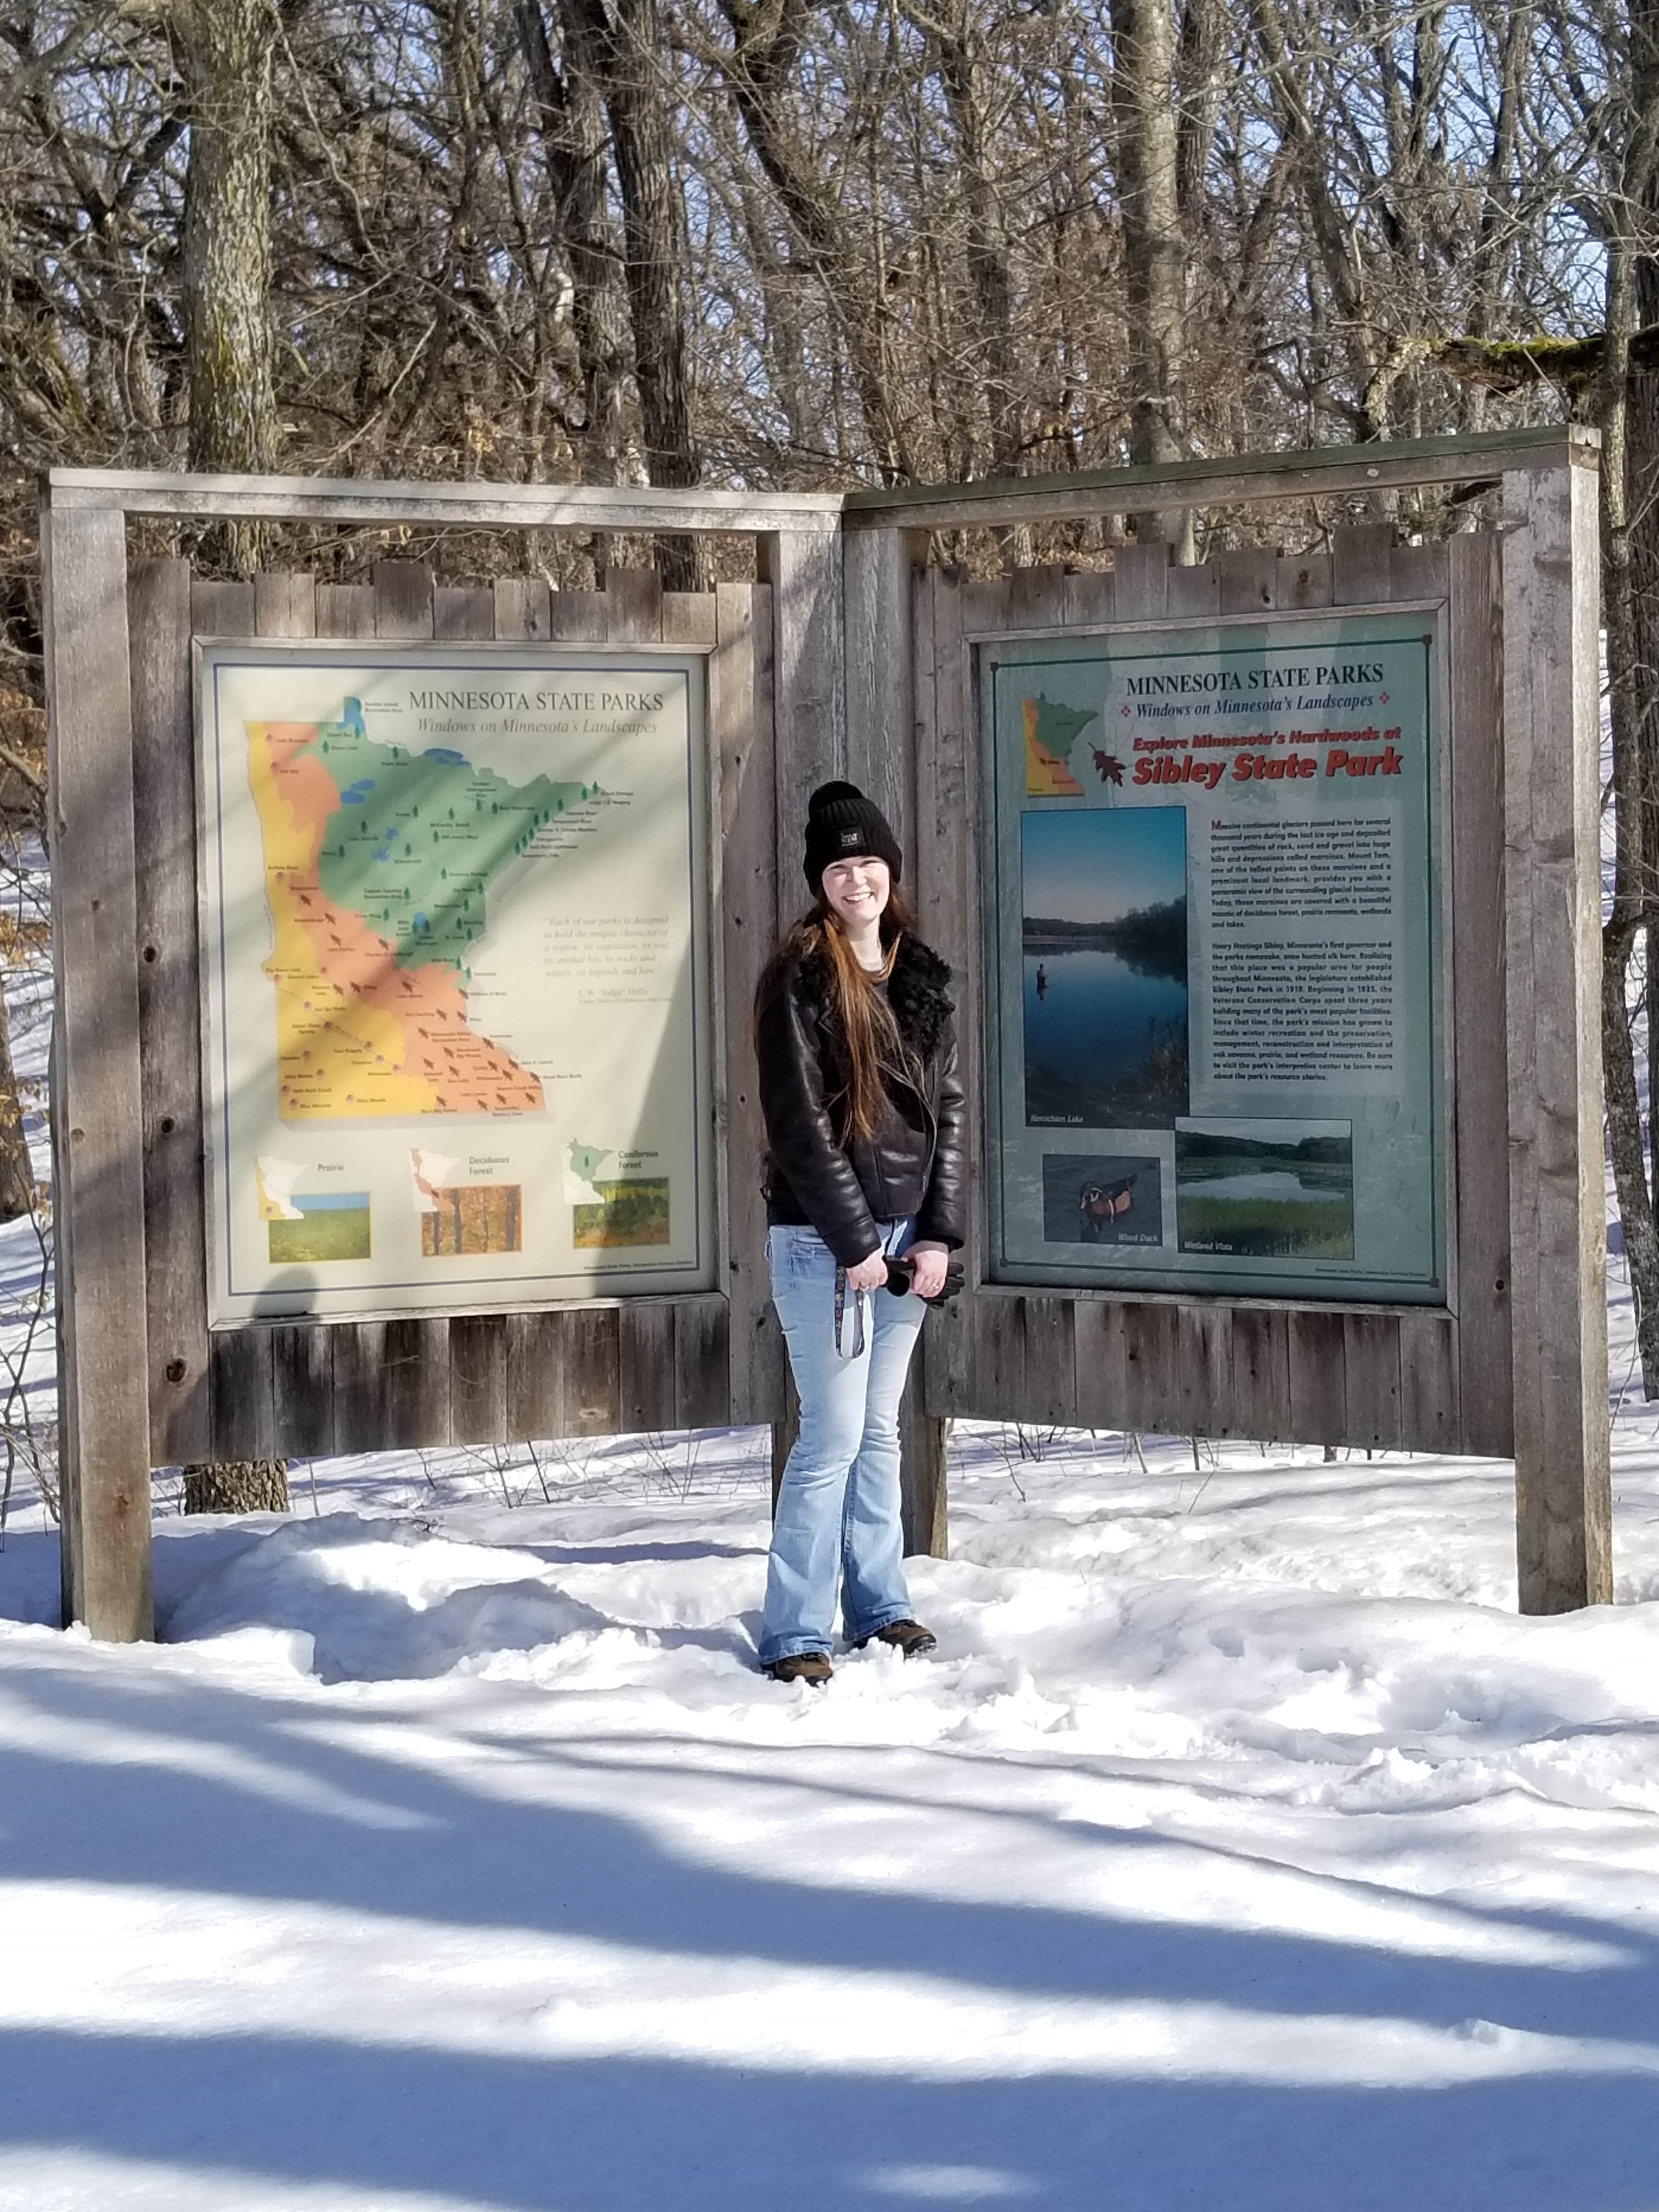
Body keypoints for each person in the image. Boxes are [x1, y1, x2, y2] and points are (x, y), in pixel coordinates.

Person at [752, 780, 966, 1685]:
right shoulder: (799, 982)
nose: (858, 880)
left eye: (870, 862)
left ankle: (879, 1606)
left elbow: (948, 1114)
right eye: (841, 867)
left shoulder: (919, 978)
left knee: (879, 1431)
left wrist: (938, 1236)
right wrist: (856, 1250)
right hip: (823, 1241)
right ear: (820, 880)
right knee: (832, 1437)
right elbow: (800, 1127)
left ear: (892, 871)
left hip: (905, 1237)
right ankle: (795, 1630)